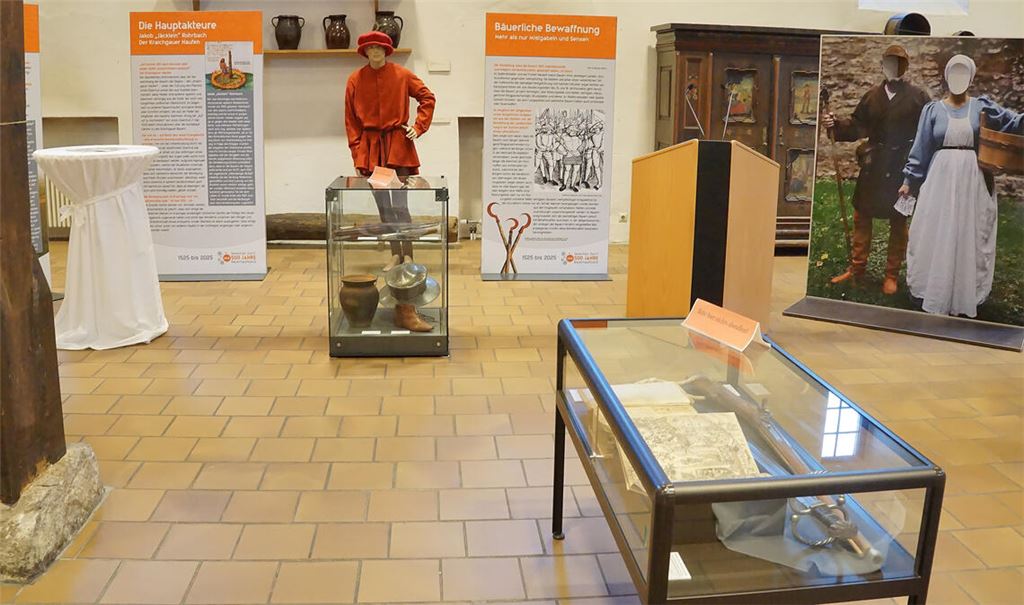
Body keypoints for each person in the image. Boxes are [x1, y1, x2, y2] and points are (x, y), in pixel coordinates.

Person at [899, 54, 1022, 318]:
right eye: (953, 73)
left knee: (970, 230)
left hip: (972, 178)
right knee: (934, 229)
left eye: (963, 74)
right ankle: (932, 288)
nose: (958, 80)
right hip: (940, 177)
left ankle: (966, 292)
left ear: (971, 78)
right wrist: (909, 181)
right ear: (945, 77)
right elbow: (920, 148)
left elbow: (1013, 122)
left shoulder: (981, 107)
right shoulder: (932, 110)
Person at [822, 44, 931, 295]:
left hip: (902, 165)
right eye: (889, 63)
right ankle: (857, 268)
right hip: (874, 165)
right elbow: (857, 125)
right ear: (883, 66)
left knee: (898, 218)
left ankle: (891, 275)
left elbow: (927, 131)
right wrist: (835, 123)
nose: (893, 68)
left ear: (905, 67)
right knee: (862, 215)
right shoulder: (872, 96)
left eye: (899, 63)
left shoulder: (918, 97)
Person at [344, 30, 436, 271]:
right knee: (383, 206)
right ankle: (395, 254)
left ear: (386, 50)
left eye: (379, 48)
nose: (375, 52)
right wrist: (357, 152)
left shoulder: (402, 74)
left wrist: (418, 126)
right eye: (370, 49)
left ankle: (408, 255)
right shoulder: (355, 79)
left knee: (400, 204)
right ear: (364, 52)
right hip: (372, 149)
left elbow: (427, 98)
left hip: (398, 147)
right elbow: (351, 120)